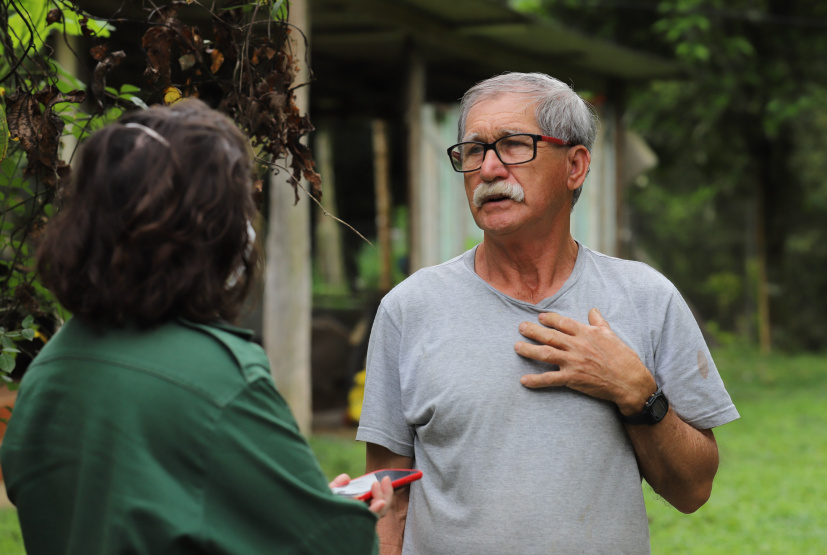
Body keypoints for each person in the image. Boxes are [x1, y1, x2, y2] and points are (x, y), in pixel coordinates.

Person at [356, 72, 740, 554]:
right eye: (473, 151)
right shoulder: (409, 309)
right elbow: (388, 498)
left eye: (514, 145)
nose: (489, 169)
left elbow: (693, 490)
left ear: (575, 165)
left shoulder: (645, 298)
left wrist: (638, 393)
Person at [0, 99, 392, 554]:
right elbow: (324, 545)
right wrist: (345, 520)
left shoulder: (53, 367)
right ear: (209, 226)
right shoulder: (218, 376)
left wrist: (292, 497)